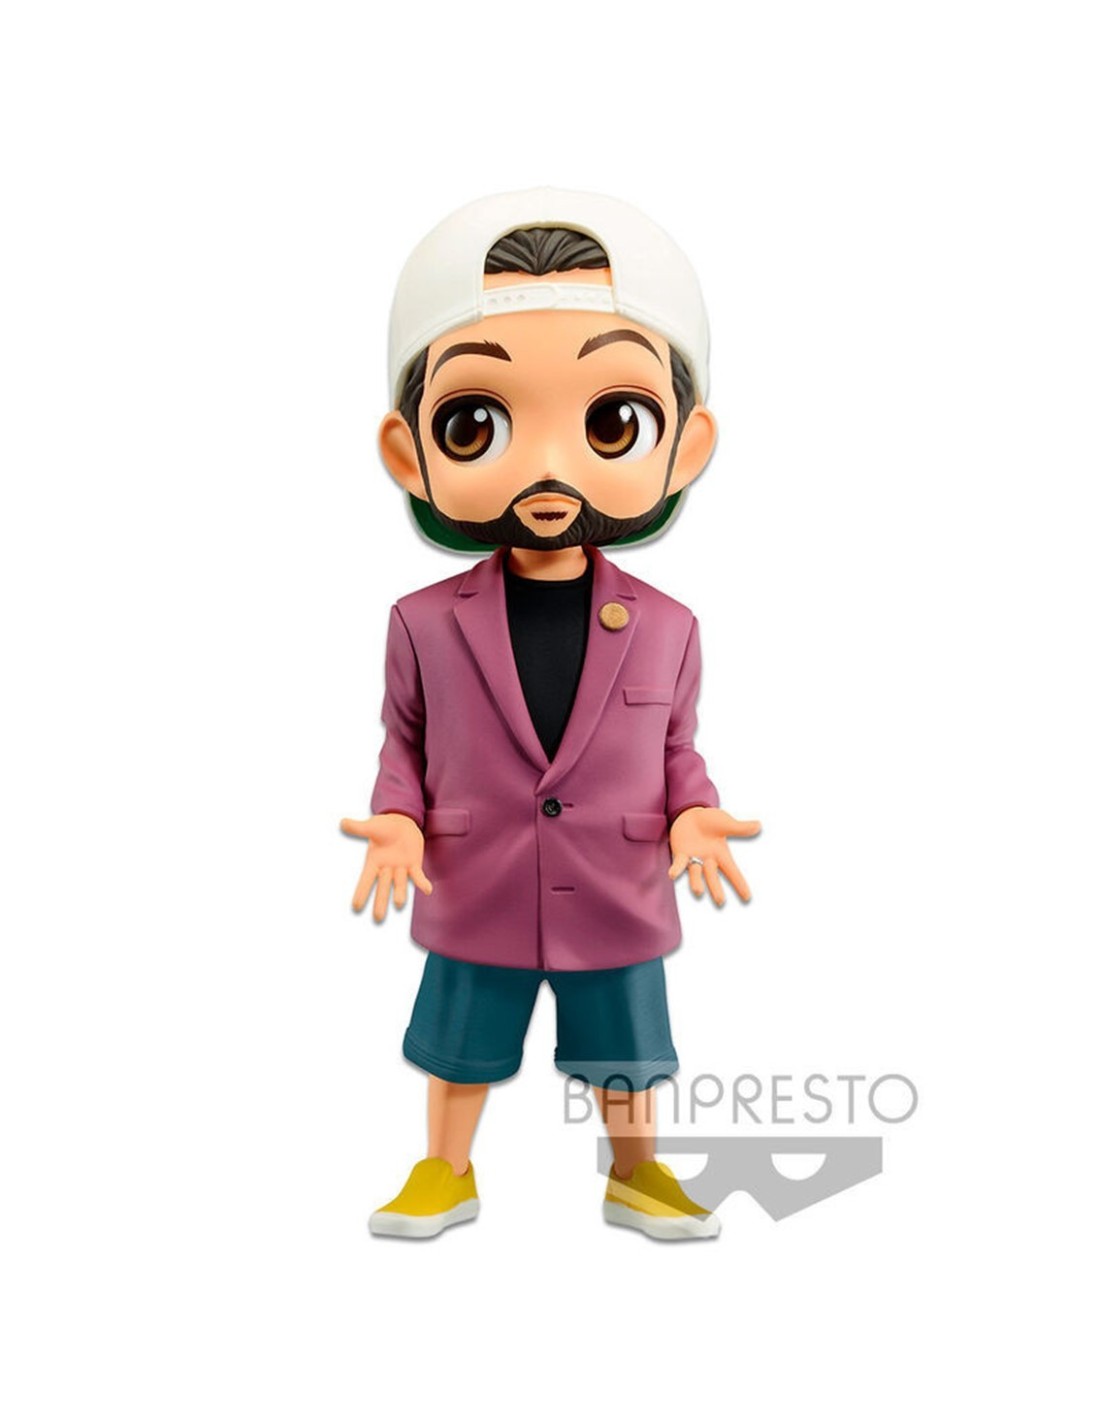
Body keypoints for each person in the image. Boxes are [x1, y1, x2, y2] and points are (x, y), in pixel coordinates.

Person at [341, 188, 760, 1240]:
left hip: (615, 882)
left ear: (684, 445)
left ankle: (637, 1172)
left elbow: (677, 746)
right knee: (457, 1037)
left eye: (610, 420)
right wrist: (396, 820)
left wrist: (693, 813)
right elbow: (404, 740)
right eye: (476, 423)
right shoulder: (421, 621)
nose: (546, 467)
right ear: (410, 451)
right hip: (474, 873)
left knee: (627, 1045)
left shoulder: (668, 624)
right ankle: (443, 1170)